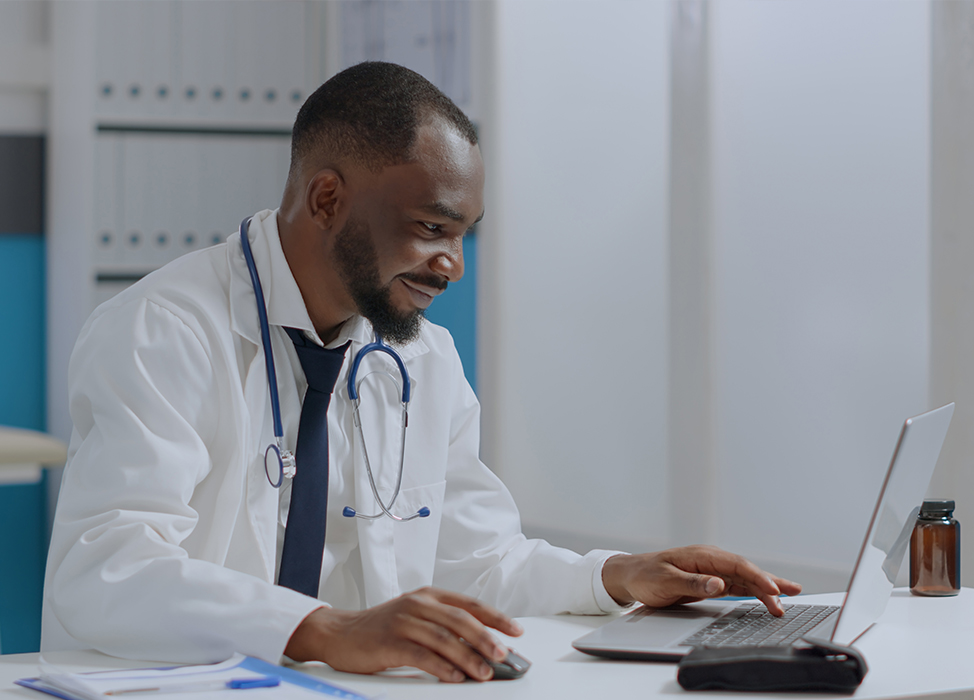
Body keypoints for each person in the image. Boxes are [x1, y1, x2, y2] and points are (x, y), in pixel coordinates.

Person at [43, 62, 800, 683]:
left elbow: (478, 559)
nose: (453, 266)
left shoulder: (418, 357)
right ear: (328, 198)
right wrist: (323, 630)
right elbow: (107, 567)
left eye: (465, 236)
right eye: (432, 229)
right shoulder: (162, 330)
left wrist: (615, 577)